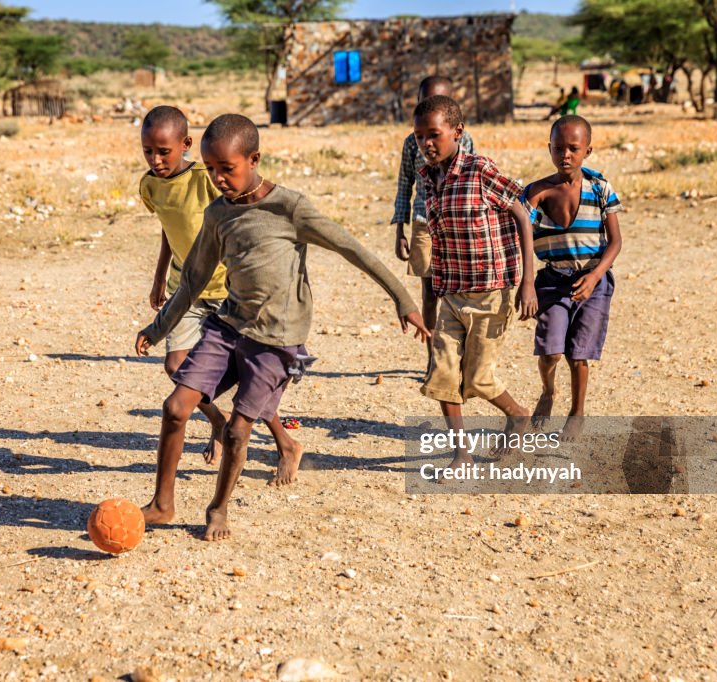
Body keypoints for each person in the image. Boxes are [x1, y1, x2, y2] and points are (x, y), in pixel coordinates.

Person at [135, 114, 429, 540]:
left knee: (239, 430)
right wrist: (159, 326)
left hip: (275, 340)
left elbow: (352, 248)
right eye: (211, 169)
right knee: (175, 407)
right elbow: (194, 279)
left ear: (254, 159)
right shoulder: (218, 214)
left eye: (227, 169)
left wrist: (402, 299)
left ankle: (218, 508)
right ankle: (162, 504)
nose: (218, 179)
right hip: (228, 326)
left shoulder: (288, 208)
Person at [139, 105, 300, 470]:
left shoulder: (206, 178)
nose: (156, 159)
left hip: (228, 289)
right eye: (148, 150)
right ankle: (217, 421)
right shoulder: (148, 185)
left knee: (249, 373)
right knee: (177, 364)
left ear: (186, 145)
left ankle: (284, 442)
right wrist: (159, 277)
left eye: (163, 151)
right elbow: (168, 228)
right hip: (188, 289)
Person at [413, 95, 537, 467]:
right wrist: (430, 306)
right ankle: (461, 453)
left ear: (458, 132)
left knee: (479, 378)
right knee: (443, 375)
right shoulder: (428, 181)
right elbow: (438, 247)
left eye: (433, 135)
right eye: (419, 137)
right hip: (451, 293)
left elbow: (522, 215)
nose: (426, 144)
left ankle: (518, 414)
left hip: (491, 292)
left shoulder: (479, 170)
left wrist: (527, 281)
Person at [521, 115, 623, 441]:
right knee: (550, 352)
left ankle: (577, 412)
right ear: (548, 148)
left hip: (593, 281)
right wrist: (524, 283)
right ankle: (548, 392)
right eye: (559, 147)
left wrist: (594, 277)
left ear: (587, 151)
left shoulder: (600, 189)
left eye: (573, 148)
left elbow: (616, 241)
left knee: (579, 355)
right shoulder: (537, 192)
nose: (565, 154)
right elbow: (521, 227)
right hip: (552, 281)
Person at [392, 75, 475, 366]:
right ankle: (432, 356)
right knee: (429, 292)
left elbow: (471, 182)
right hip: (423, 221)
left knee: (458, 292)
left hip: (456, 224)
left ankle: (458, 353)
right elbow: (404, 184)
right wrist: (399, 230)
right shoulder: (412, 143)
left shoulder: (464, 140)